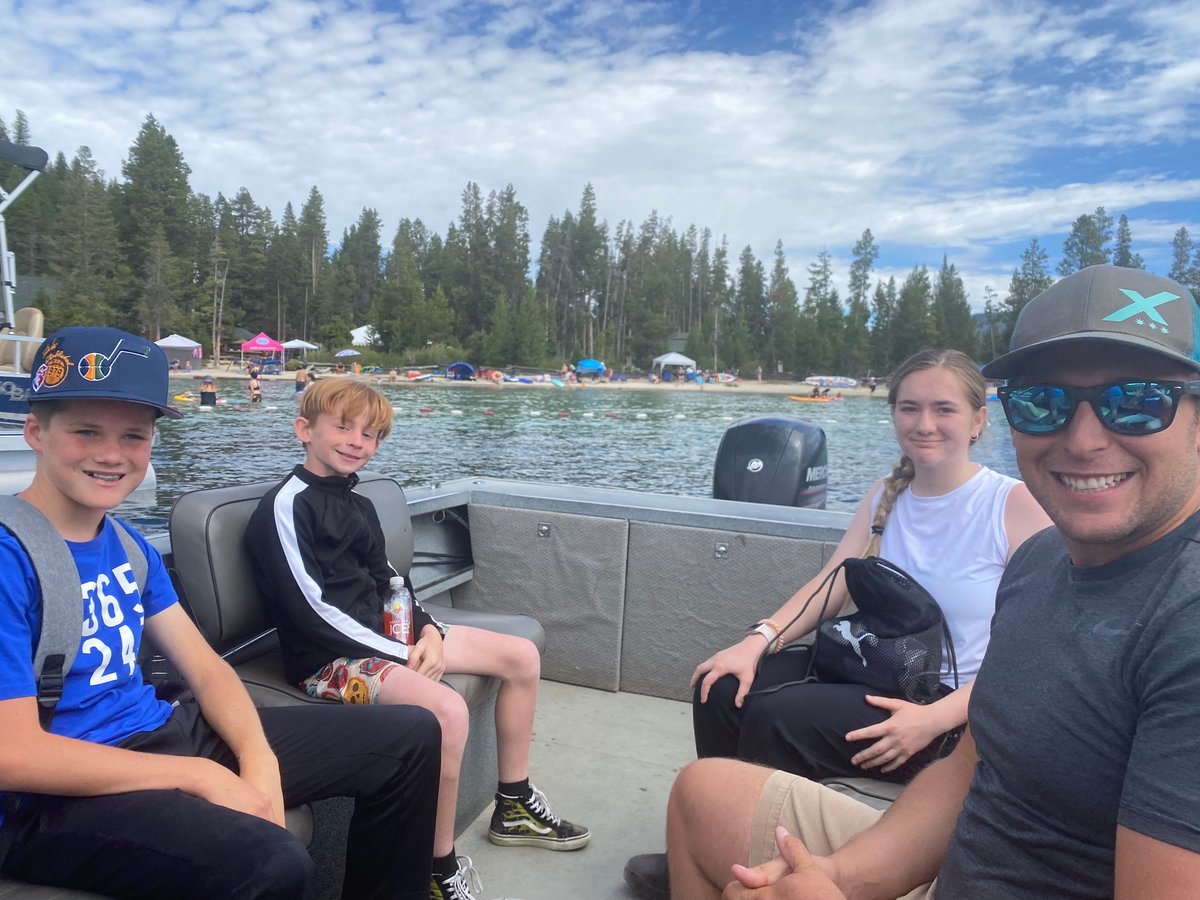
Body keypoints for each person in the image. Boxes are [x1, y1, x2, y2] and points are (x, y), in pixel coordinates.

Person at [668, 264, 1200, 899]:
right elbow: (973, 769)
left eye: (1137, 401)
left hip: (933, 715)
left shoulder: (1179, 621)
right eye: (1043, 402)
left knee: (776, 721)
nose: (1084, 441)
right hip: (958, 855)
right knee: (700, 791)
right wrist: (839, 879)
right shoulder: (1042, 564)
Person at [0, 327, 441, 899]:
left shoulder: (127, 545)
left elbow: (207, 670)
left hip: (160, 734)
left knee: (409, 736)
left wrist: (258, 758)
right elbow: (13, 753)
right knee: (271, 864)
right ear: (36, 431)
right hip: (51, 800)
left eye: (133, 436)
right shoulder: (11, 559)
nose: (112, 455)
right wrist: (199, 774)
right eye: (86, 431)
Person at [624, 348, 1051, 899]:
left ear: (978, 419)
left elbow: (1033, 654)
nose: (924, 424)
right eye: (909, 408)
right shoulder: (885, 495)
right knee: (722, 688)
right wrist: (756, 642)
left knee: (777, 717)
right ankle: (712, 837)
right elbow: (833, 584)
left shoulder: (1011, 507)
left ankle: (761, 871)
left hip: (944, 709)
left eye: (944, 409)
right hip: (877, 662)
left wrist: (934, 719)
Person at [246, 379, 590, 900]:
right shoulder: (286, 507)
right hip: (330, 661)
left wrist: (426, 630)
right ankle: (437, 866)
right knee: (446, 711)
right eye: (342, 426)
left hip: (390, 641)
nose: (356, 441)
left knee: (520, 655)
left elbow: (391, 583)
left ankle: (514, 804)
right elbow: (311, 612)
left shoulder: (358, 504)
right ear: (304, 430)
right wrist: (402, 653)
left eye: (370, 433)